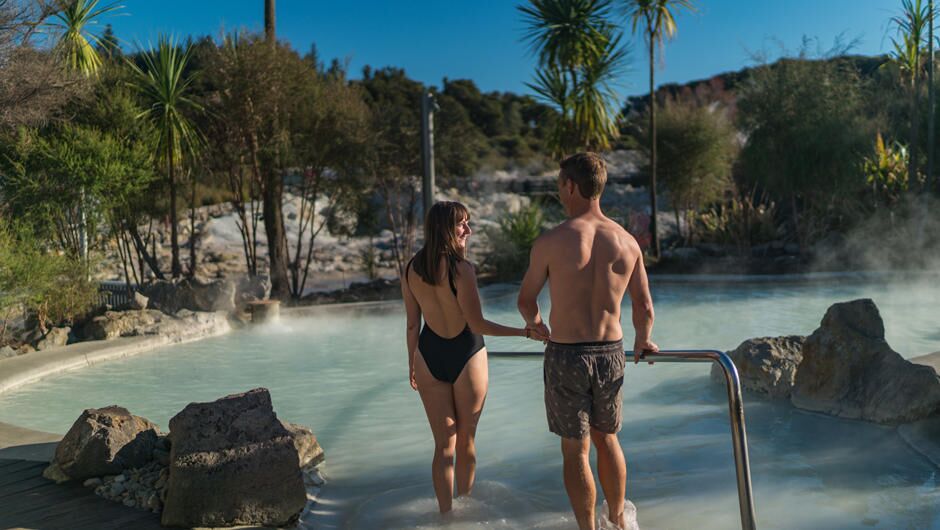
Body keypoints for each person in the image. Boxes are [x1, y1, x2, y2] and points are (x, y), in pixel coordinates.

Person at [517, 152, 658, 530]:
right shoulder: (627, 242)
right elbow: (644, 305)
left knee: (575, 449)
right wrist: (644, 339)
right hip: (611, 353)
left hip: (566, 354)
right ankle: (619, 521)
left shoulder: (551, 241)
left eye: (559, 184)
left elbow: (526, 300)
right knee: (607, 439)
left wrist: (536, 325)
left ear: (570, 186)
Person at [401, 200, 548, 515]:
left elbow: (413, 324)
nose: (468, 229)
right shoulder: (461, 269)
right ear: (445, 228)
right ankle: (465, 512)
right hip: (466, 352)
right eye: (462, 224)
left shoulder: (411, 268)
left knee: (444, 445)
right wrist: (524, 333)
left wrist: (412, 363)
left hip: (427, 355)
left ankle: (445, 516)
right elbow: (478, 324)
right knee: (465, 440)